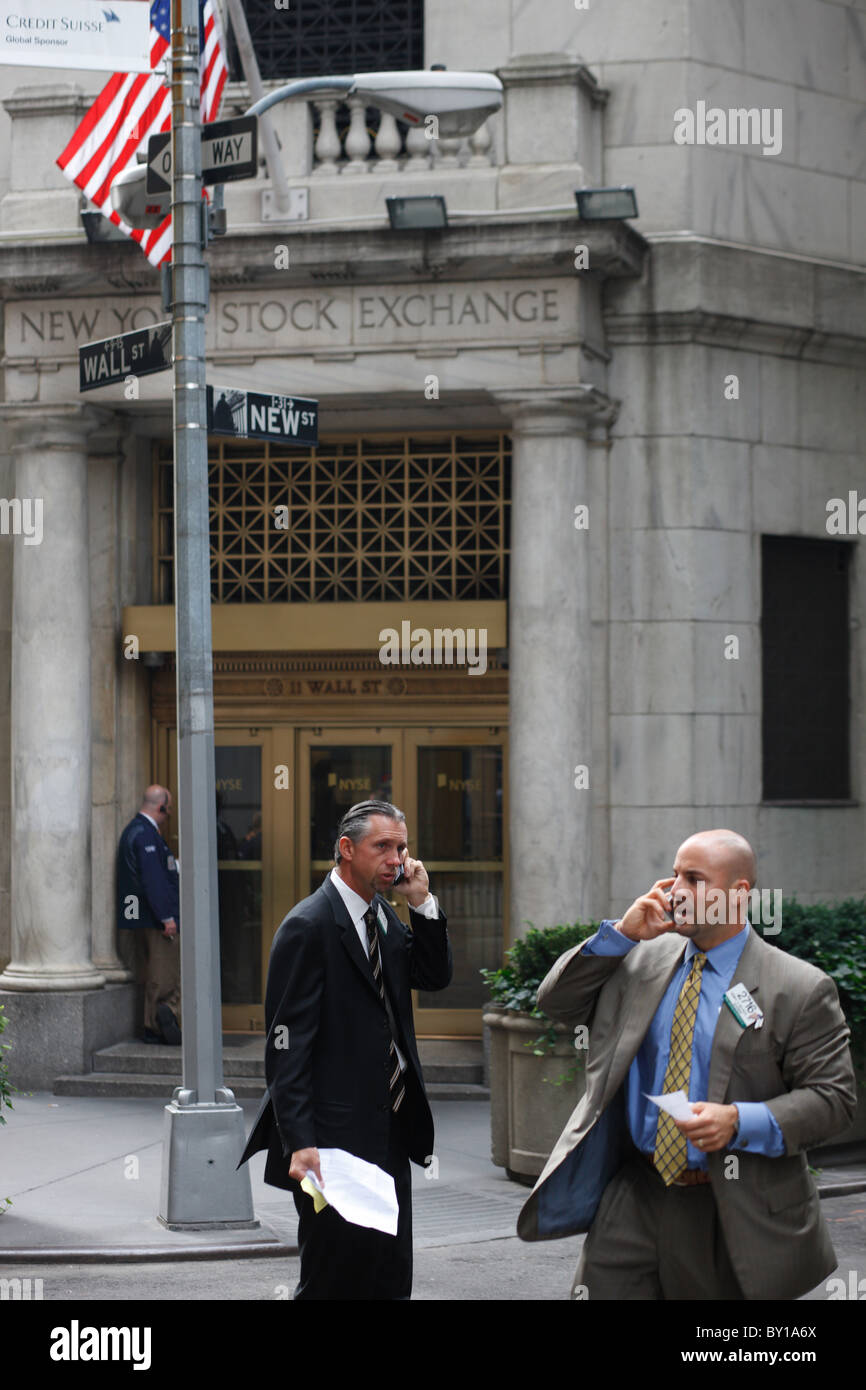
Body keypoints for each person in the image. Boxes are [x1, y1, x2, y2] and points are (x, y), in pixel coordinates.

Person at [517, 828, 856, 1301]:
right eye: (674, 874)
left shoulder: (797, 987)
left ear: (738, 895)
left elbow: (833, 1100)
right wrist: (621, 935)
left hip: (734, 1205)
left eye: (694, 879)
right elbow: (557, 1003)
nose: (675, 890)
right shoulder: (639, 960)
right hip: (634, 1193)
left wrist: (739, 1120)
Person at [238, 798, 452, 1300]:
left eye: (401, 848)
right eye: (383, 847)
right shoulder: (308, 926)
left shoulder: (382, 914)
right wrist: (300, 1141)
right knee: (333, 1280)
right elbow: (285, 1047)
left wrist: (421, 904)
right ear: (346, 849)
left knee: (389, 1277)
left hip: (389, 1128)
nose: (396, 859)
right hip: (330, 1143)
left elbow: (432, 975)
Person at [117, 785, 181, 1046]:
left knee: (154, 972)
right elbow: (153, 880)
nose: (169, 815)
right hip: (153, 919)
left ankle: (153, 1023)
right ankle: (158, 1023)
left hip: (140, 917)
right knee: (163, 974)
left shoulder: (135, 831)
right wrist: (167, 917)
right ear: (161, 807)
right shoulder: (146, 835)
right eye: (169, 809)